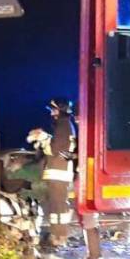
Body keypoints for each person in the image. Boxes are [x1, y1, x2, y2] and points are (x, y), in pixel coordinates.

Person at [40, 97, 76, 247]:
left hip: (58, 172)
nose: (51, 113)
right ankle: (59, 234)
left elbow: (56, 151)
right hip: (60, 172)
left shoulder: (63, 126)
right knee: (58, 206)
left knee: (58, 207)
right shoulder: (65, 125)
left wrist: (43, 140)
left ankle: (59, 236)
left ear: (61, 110)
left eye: (54, 110)